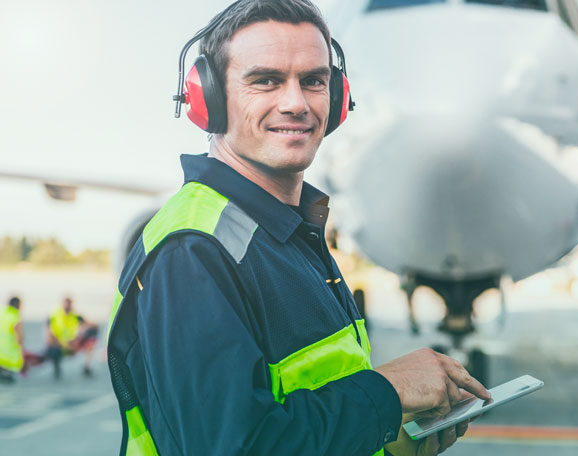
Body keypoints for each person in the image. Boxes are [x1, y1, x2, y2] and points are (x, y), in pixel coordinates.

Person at [106, 1, 490, 454]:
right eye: (265, 80)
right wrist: (386, 391)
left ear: (339, 96)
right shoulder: (193, 252)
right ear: (207, 99)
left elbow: (297, 424)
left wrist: (391, 440)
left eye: (313, 81)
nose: (295, 103)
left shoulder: (284, 235)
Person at [46, 297, 99, 379]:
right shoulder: (54, 317)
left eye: (69, 304)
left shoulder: (76, 316)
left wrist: (84, 329)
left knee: (92, 336)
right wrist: (62, 343)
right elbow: (50, 336)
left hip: (74, 343)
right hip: (60, 345)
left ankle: (86, 367)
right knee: (53, 350)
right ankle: (56, 368)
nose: (68, 306)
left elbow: (93, 325)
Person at [0, 296, 24, 383]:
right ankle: (7, 372)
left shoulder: (2, 313)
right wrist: (21, 350)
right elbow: (19, 337)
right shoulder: (15, 315)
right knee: (17, 363)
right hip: (8, 355)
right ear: (17, 305)